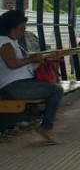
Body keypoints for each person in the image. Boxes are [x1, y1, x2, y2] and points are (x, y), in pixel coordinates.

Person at [0, 10, 64, 144]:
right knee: (56, 90)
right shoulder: (5, 42)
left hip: (19, 84)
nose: (23, 33)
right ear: (12, 29)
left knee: (53, 89)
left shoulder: (11, 42)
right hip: (14, 86)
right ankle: (46, 126)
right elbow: (12, 63)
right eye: (22, 29)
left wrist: (33, 61)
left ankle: (46, 122)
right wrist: (31, 60)